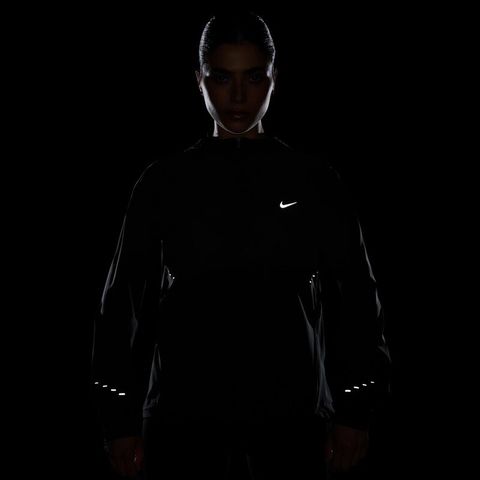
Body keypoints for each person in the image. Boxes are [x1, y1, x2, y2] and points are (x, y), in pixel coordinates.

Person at [91, 10, 391, 479]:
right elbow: (119, 305)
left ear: (273, 79)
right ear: (199, 80)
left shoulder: (313, 180)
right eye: (221, 77)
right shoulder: (164, 182)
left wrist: (355, 410)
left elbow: (357, 297)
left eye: (252, 77)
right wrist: (119, 421)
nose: (237, 96)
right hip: (183, 426)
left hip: (291, 424)